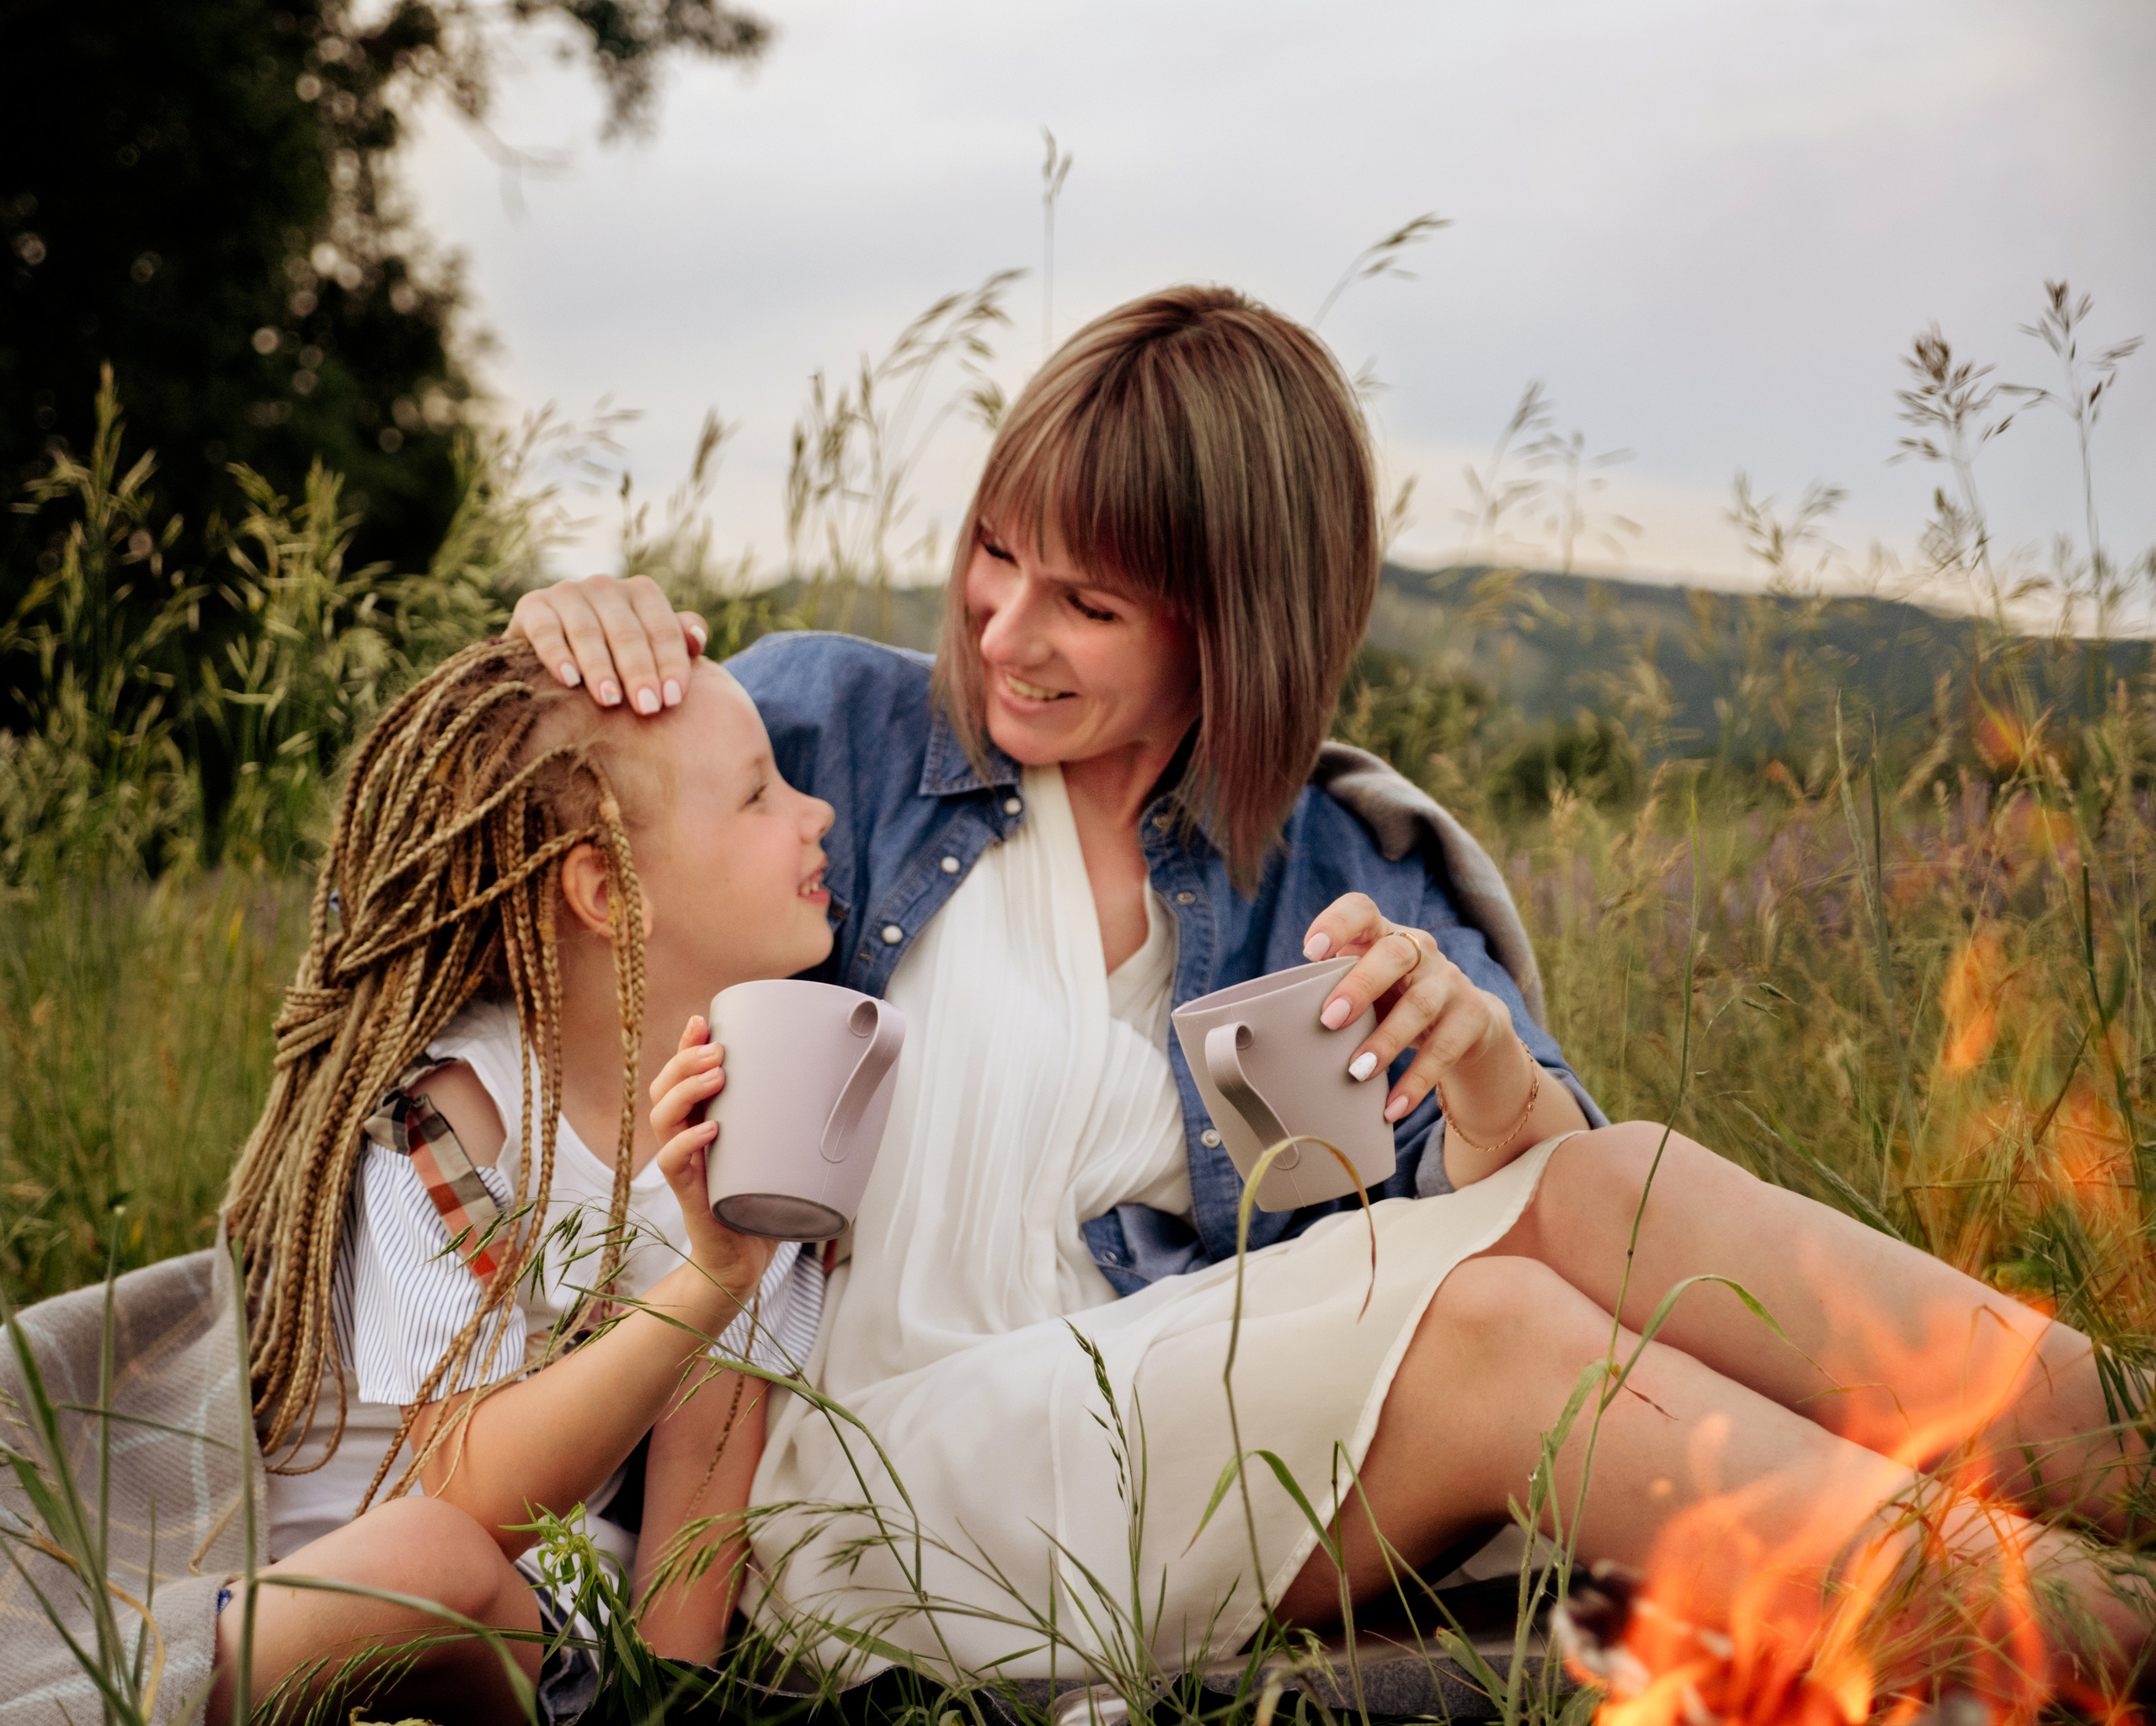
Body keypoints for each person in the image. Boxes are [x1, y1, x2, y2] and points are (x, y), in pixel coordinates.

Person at [510, 287, 2148, 1691]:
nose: (1004, 630)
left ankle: (2123, 1477)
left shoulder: (1328, 864)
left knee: (1610, 1176)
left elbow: (1514, 1200)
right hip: (836, 1483)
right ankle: (2103, 1638)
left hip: (1157, 1425)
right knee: (1498, 1335)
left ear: (1230, 628)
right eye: (994, 554)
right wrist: (554, 649)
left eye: (1087, 603)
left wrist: (1487, 1074)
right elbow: (531, 840)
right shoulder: (828, 731)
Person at [210, 639, 831, 1722]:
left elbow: (696, 1523)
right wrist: (704, 1284)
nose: (817, 811)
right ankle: (170, 1685)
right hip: (342, 1584)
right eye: (758, 795)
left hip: (537, 1647)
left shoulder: (746, 1138)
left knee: (468, 1579)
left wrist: (661, 1707)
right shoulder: (457, 1115)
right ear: (607, 891)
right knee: (432, 1554)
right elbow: (469, 1489)